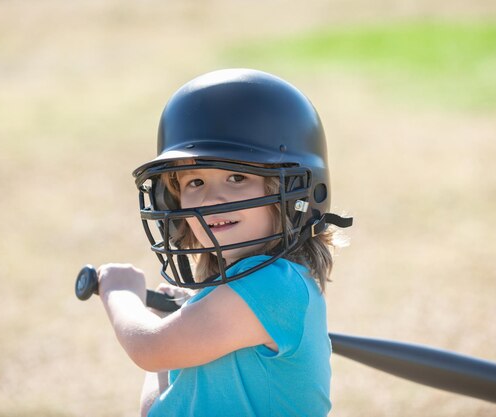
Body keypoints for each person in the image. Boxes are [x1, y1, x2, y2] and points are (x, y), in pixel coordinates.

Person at [97, 68, 353, 417]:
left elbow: (151, 348)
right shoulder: (240, 294)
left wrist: (121, 295)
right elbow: (159, 409)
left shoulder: (275, 286)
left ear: (295, 193)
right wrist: (170, 319)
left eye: (236, 177)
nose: (211, 199)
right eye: (195, 182)